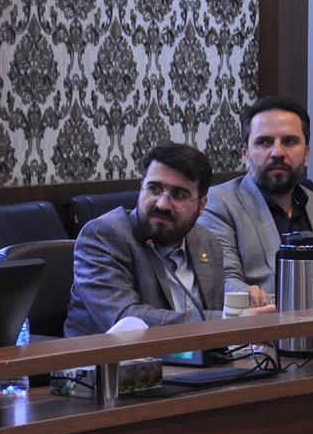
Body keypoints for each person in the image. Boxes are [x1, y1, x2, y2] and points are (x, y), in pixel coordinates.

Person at [65, 142, 224, 337]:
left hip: (197, 355)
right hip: (113, 355)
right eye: (154, 189)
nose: (162, 204)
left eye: (178, 195)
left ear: (201, 205)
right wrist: (226, 320)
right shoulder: (103, 236)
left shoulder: (207, 242)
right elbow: (126, 322)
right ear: (141, 188)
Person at [197, 96, 313, 307]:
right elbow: (221, 281)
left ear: (307, 154)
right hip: (261, 324)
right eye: (264, 142)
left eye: (289, 141)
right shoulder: (220, 203)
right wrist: (251, 295)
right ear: (246, 154)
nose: (277, 153)